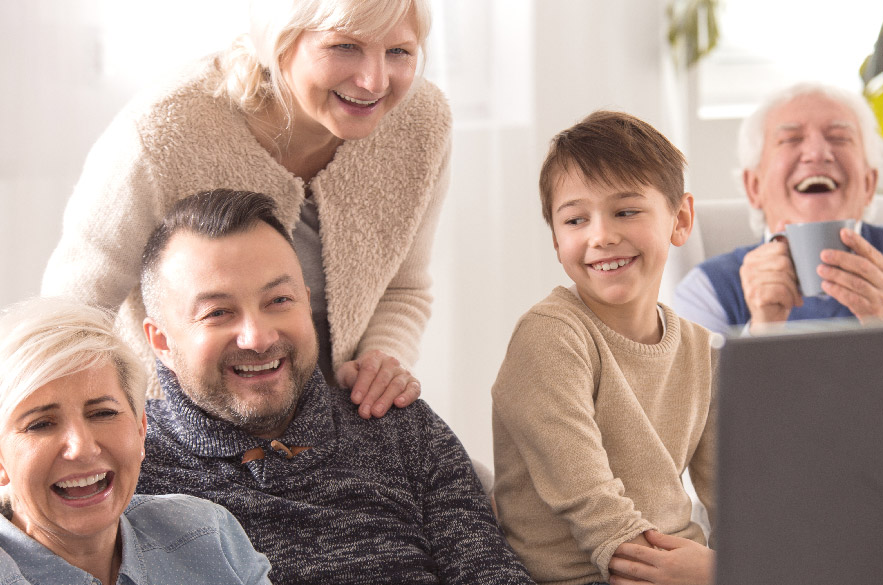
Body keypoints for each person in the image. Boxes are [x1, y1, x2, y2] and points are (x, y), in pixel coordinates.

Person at [42, 0, 450, 417]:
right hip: (178, 434)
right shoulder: (162, 133)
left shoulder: (420, 122)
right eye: (344, 47)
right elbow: (71, 318)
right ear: (280, 41)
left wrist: (381, 361)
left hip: (333, 426)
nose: (374, 81)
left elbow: (403, 287)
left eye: (399, 51)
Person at [135, 189, 533, 585]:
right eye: (218, 313)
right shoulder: (129, 462)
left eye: (278, 300)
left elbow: (492, 573)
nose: (257, 338)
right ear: (162, 342)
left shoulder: (398, 425)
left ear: (306, 305)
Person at [491, 111, 717, 585]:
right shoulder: (550, 336)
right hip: (595, 573)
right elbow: (592, 506)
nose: (601, 235)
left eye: (626, 211)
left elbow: (737, 498)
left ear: (680, 219)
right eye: (576, 219)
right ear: (556, 239)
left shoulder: (703, 352)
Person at [672, 82, 883, 334]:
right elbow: (697, 411)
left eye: (839, 137)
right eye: (791, 139)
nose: (818, 153)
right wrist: (762, 332)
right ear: (754, 188)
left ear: (869, 184)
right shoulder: (706, 289)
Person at [0, 296, 271, 585]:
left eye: (102, 413)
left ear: (141, 428)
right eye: (40, 425)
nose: (82, 448)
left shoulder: (209, 535)